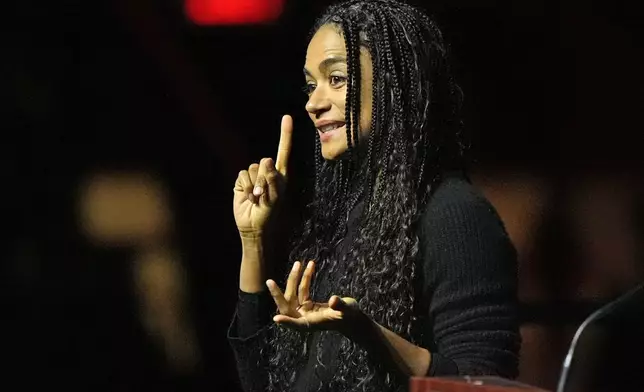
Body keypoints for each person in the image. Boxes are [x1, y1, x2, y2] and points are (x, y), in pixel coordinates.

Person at [227, 1, 521, 391]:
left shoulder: (454, 214)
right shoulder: (337, 220)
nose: (313, 103)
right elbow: (262, 384)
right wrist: (253, 243)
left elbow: (486, 385)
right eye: (311, 85)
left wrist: (370, 334)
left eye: (336, 79)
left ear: (392, 85)